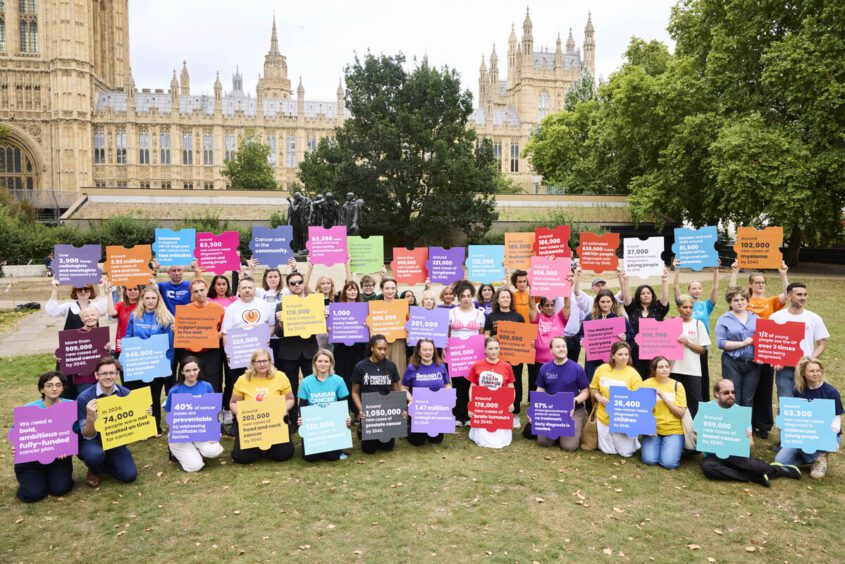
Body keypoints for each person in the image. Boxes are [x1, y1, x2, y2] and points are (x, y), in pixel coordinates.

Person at [700, 379, 801, 486]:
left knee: (753, 465)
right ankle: (752, 477)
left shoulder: (740, 413)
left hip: (734, 454)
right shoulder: (706, 410)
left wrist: (745, 438)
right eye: (726, 392)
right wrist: (698, 435)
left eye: (733, 392)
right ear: (716, 394)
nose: (731, 395)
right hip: (713, 456)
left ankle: (778, 470)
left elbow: (750, 444)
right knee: (708, 468)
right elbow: (697, 439)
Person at [730, 261, 789, 439]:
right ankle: (744, 421)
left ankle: (762, 424)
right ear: (750, 284)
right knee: (747, 389)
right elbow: (731, 294)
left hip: (766, 349)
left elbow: (788, 295)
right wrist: (734, 272)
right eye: (756, 282)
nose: (760, 285)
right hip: (747, 348)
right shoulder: (745, 300)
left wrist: (783, 274)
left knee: (764, 386)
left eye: (762, 282)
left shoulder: (770, 302)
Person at [77, 357, 151, 487]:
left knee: (129, 475)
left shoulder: (125, 394)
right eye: (104, 373)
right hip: (92, 440)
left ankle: (106, 463)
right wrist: (90, 417)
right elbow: (87, 434)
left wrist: (145, 415)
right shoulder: (84, 398)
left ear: (117, 375)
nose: (108, 377)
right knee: (94, 455)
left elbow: (135, 424)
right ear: (96, 375)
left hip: (115, 439)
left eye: (112, 373)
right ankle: (95, 469)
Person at [774, 358, 843, 479]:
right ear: (803, 373)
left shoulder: (831, 392)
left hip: (827, 433)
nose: (816, 374)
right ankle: (813, 458)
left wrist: (832, 435)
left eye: (818, 370)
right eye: (812, 371)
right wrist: (784, 423)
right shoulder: (798, 390)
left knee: (815, 473)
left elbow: (837, 417)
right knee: (780, 461)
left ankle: (821, 457)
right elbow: (794, 416)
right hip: (804, 432)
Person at [13, 372, 75, 502]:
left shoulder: (70, 406)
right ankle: (35, 481)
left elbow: (75, 434)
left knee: (60, 489)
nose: (54, 388)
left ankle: (50, 478)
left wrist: (66, 448)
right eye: (49, 385)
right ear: (42, 389)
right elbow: (17, 435)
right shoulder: (29, 409)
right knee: (33, 494)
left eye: (58, 385)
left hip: (59, 457)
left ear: (63, 388)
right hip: (31, 460)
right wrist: (17, 447)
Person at [221, 277, 276, 420]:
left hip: (261, 356)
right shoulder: (232, 309)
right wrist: (228, 353)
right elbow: (226, 332)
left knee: (261, 385)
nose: (247, 290)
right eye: (244, 288)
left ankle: (264, 416)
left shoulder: (264, 305)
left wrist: (266, 336)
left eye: (250, 288)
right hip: (239, 355)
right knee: (239, 386)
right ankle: (238, 420)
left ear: (254, 289)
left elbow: (272, 325)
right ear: (238, 290)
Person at [229, 349, 296, 464]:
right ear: (253, 363)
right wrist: (239, 413)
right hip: (252, 426)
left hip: (274, 423)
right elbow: (233, 403)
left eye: (265, 361)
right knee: (242, 457)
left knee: (282, 454)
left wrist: (284, 409)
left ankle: (269, 448)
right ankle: (257, 449)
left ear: (270, 362)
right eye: (258, 361)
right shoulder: (243, 379)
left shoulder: (280, 376)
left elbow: (290, 399)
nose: (262, 364)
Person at [125, 286, 175, 437]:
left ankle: (155, 427)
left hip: (157, 364)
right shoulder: (135, 317)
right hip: (139, 363)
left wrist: (168, 364)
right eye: (147, 298)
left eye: (153, 298)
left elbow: (170, 344)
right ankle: (142, 429)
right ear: (142, 300)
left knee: (154, 395)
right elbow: (128, 336)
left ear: (158, 299)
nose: (150, 301)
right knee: (140, 396)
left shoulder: (166, 318)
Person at [769, 283, 829, 401]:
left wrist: (810, 360)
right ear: (789, 296)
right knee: (785, 402)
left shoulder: (814, 318)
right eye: (799, 295)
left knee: (806, 402)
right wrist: (775, 360)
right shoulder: (776, 317)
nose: (803, 298)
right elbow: (770, 343)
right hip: (784, 368)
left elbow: (821, 344)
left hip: (805, 368)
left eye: (805, 295)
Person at [163, 356, 224, 472]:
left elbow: (214, 411)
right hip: (182, 433)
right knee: (195, 467)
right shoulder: (174, 391)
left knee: (214, 450)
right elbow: (170, 416)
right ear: (181, 372)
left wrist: (213, 433)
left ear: (199, 370)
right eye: (187, 370)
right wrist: (175, 434)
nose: (192, 374)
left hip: (201, 429)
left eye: (194, 370)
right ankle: (180, 451)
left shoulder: (207, 386)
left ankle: (195, 448)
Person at [274, 271, 319, 425]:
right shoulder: (281, 305)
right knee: (290, 387)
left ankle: (312, 416)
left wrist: (323, 318)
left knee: (312, 385)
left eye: (299, 282)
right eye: (293, 283)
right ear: (289, 286)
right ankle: (293, 418)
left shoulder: (314, 302)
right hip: (289, 352)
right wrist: (280, 323)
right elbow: (278, 333)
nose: (297, 285)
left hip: (309, 351)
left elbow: (319, 327)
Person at [673, 259, 720, 403]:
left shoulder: (706, 305)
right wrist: (677, 269)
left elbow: (715, 289)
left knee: (701, 377)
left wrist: (716, 270)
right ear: (688, 290)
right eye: (693, 288)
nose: (697, 290)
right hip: (683, 345)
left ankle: (702, 402)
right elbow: (675, 288)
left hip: (699, 344)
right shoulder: (684, 302)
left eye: (699, 288)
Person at [533, 337, 590, 451]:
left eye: (563, 346)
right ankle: (559, 431)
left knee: (569, 446)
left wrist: (574, 401)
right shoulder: (545, 368)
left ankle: (574, 427)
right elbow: (540, 389)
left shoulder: (576, 368)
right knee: (543, 442)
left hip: (573, 410)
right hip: (552, 410)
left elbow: (586, 391)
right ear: (551, 350)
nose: (561, 349)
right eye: (558, 347)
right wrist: (535, 410)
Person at [350, 334, 402, 454]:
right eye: (380, 349)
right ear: (372, 348)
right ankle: (362, 429)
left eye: (385, 349)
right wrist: (361, 410)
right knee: (369, 449)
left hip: (386, 413)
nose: (383, 352)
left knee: (387, 447)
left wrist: (400, 408)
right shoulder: (361, 367)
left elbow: (396, 391)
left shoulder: (391, 366)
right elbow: (354, 392)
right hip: (370, 412)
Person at [297, 349, 352, 462]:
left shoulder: (338, 380)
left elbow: (343, 405)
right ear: (315, 363)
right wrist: (301, 419)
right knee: (310, 458)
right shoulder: (306, 382)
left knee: (332, 457)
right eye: (320, 361)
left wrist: (346, 418)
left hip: (332, 426)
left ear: (331, 363)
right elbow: (302, 406)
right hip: (314, 426)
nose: (323, 364)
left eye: (326, 361)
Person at [590, 341, 642, 457]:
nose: (624, 357)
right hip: (604, 416)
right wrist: (599, 397)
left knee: (625, 453)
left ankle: (631, 440)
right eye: (620, 354)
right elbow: (593, 388)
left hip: (623, 418)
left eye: (626, 354)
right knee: (608, 451)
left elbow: (639, 400)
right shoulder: (602, 369)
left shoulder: (633, 374)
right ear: (613, 355)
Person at [483, 288, 526, 427]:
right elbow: (486, 335)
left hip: (515, 357)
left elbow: (524, 336)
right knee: (497, 383)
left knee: (515, 382)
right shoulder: (491, 317)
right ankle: (498, 411)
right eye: (503, 297)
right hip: (497, 357)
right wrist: (491, 339)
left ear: (511, 299)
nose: (505, 299)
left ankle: (515, 414)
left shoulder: (518, 317)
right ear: (497, 299)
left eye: (508, 297)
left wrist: (529, 342)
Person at [620, 265, 671, 377]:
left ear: (652, 295)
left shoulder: (658, 309)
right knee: (636, 376)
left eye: (648, 293)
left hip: (654, 349)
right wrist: (626, 279)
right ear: (638, 296)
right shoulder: (633, 308)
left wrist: (664, 280)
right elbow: (627, 295)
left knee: (652, 376)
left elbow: (665, 296)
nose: (646, 295)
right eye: (643, 293)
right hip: (635, 349)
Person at [467, 337, 516, 449]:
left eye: (496, 348)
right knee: (482, 437)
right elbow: (473, 387)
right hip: (484, 407)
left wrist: (510, 403)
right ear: (485, 350)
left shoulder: (506, 366)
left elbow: (511, 387)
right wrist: (472, 405)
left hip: (500, 408)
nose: (493, 351)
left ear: (500, 349)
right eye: (490, 348)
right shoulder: (477, 365)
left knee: (500, 439)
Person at [715, 287, 760, 408]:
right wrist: (742, 344)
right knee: (733, 397)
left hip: (753, 364)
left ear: (747, 300)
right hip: (732, 362)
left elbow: (763, 339)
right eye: (735, 300)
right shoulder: (724, 319)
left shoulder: (756, 318)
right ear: (730, 302)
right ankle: (734, 426)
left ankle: (746, 426)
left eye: (742, 299)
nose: (740, 302)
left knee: (748, 398)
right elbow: (721, 343)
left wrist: (762, 354)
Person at [177, 279, 225, 393]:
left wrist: (217, 336)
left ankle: (214, 409)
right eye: (196, 291)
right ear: (192, 294)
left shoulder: (218, 308)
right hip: (190, 352)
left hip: (211, 352)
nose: (199, 293)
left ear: (207, 290)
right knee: (191, 381)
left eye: (202, 290)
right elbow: (181, 330)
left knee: (213, 382)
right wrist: (177, 329)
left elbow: (224, 329)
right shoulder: (185, 309)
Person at [576, 288, 634, 382]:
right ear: (597, 302)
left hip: (613, 359)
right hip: (593, 358)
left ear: (613, 302)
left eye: (608, 301)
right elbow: (581, 334)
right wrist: (582, 340)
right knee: (592, 382)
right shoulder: (590, 317)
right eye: (602, 302)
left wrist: (625, 337)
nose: (605, 304)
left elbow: (631, 335)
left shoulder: (619, 318)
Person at [449, 281, 485, 427]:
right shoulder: (452, 312)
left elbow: (481, 335)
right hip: (457, 354)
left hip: (473, 354)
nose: (465, 298)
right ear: (458, 297)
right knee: (457, 384)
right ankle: (458, 415)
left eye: (468, 296)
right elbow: (447, 333)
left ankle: (471, 414)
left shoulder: (479, 314)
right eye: (462, 296)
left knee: (472, 383)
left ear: (472, 297)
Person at [640, 356, 686, 469]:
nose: (665, 369)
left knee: (669, 464)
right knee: (649, 460)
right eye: (661, 367)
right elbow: (641, 410)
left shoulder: (677, 386)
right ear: (654, 369)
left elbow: (680, 413)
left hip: (673, 430)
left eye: (667, 366)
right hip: (653, 430)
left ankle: (673, 447)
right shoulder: (646, 384)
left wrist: (665, 398)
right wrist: (647, 427)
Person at [402, 339, 451, 446]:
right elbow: (403, 388)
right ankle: (409, 427)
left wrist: (449, 396)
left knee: (436, 440)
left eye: (430, 350)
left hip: (436, 409)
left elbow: (447, 384)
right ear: (419, 352)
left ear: (434, 351)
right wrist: (411, 400)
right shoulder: (412, 368)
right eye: (424, 350)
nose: (428, 352)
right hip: (420, 410)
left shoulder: (441, 366)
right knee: (417, 442)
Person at [670, 294, 710, 418]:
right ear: (678, 308)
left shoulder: (698, 324)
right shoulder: (672, 323)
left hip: (692, 370)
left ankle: (694, 430)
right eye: (684, 307)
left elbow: (702, 349)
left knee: (694, 402)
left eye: (690, 307)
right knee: (675, 400)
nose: (688, 310)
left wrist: (688, 343)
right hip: (674, 369)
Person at [331, 280, 367, 416]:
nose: (352, 292)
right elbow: (332, 330)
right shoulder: (337, 307)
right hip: (342, 349)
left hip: (358, 349)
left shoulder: (364, 308)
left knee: (358, 379)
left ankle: (358, 411)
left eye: (355, 289)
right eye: (350, 289)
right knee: (343, 378)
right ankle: (343, 411)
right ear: (344, 291)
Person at [527, 295, 571, 400]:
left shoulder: (560, 318)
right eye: (547, 305)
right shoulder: (537, 318)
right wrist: (532, 287)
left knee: (555, 386)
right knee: (536, 386)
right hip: (537, 361)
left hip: (556, 361)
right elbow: (532, 305)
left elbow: (567, 306)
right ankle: (536, 407)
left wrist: (567, 289)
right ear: (541, 307)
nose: (550, 307)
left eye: (552, 305)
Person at [379, 278, 409, 373]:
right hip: (381, 342)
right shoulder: (375, 307)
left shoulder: (403, 306)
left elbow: (408, 323)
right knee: (382, 369)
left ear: (396, 290)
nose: (390, 291)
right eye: (387, 288)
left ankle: (399, 388)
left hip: (398, 342)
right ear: (381, 290)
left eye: (393, 288)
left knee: (398, 368)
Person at [107, 284, 141, 358]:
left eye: (135, 289)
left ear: (139, 291)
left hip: (139, 343)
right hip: (122, 343)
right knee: (122, 368)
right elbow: (111, 312)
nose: (133, 291)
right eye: (130, 289)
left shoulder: (144, 305)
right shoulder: (120, 305)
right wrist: (109, 293)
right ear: (125, 292)